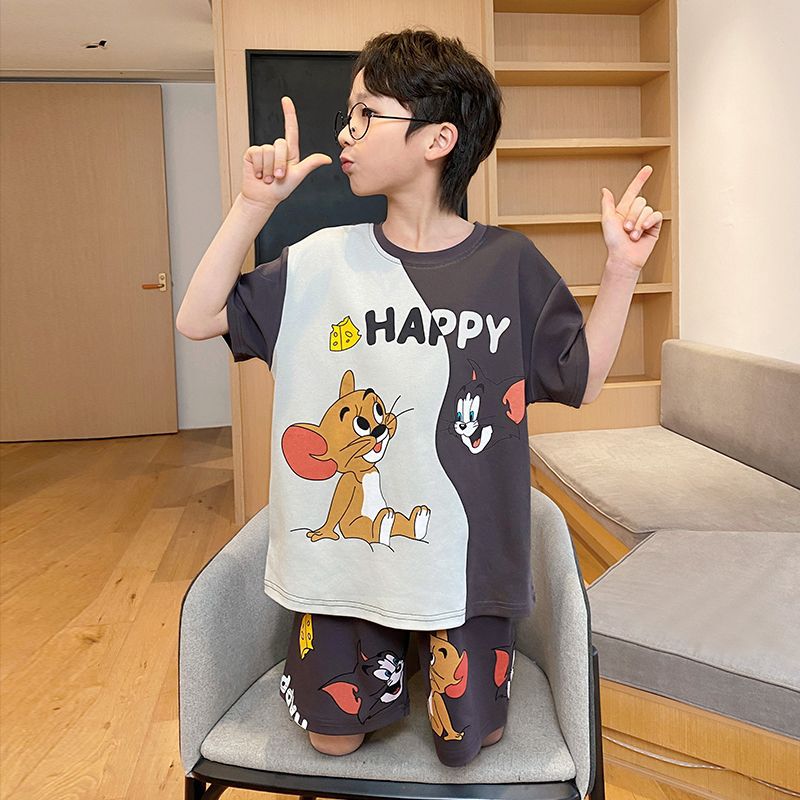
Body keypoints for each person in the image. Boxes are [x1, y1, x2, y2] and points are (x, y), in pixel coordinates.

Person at [176, 27, 662, 768]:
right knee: (334, 738)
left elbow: (582, 379)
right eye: (348, 114)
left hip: (464, 566)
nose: (346, 132)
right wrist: (252, 206)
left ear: (438, 138)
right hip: (349, 570)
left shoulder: (509, 264)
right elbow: (197, 318)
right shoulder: (321, 261)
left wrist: (622, 268)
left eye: (367, 114)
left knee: (470, 741)